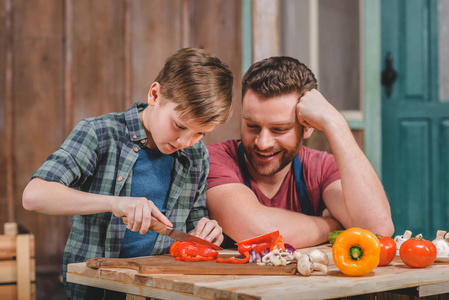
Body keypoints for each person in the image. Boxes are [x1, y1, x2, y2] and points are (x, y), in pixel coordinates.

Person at [22, 48, 233, 300]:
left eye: (200, 133)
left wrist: (205, 230)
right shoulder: (100, 133)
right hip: (97, 291)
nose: (186, 141)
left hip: (164, 290)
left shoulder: (196, 155)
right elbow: (34, 195)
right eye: (179, 125)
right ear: (155, 94)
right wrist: (115, 203)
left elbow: (193, 221)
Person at [206, 56, 394, 249]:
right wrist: (334, 226)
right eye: (252, 126)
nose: (263, 143)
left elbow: (377, 230)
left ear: (307, 127)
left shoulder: (320, 168)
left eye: (279, 129)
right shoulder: (216, 159)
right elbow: (256, 231)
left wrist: (335, 123)